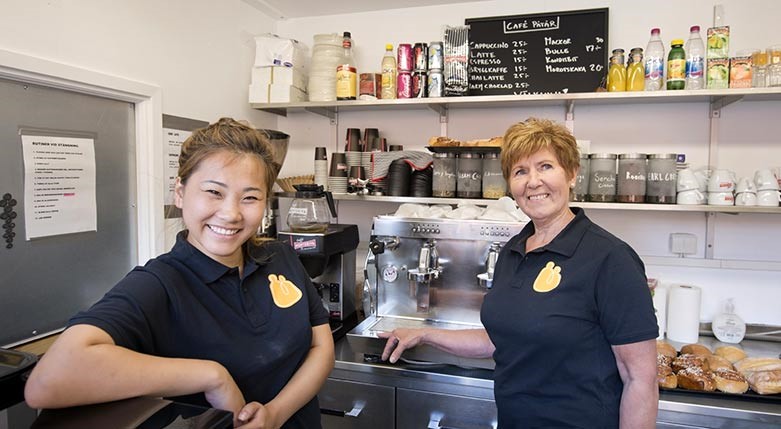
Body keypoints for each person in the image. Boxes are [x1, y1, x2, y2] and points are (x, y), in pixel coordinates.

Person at [25, 118, 334, 429]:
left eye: (250, 197)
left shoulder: (279, 256)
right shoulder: (160, 283)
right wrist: (211, 376)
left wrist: (275, 414)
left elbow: (321, 347)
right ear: (180, 193)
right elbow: (46, 382)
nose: (231, 213)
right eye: (214, 192)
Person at [380, 118, 658, 428]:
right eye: (520, 171)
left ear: (572, 173)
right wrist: (424, 333)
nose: (533, 182)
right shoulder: (513, 251)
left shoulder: (611, 259)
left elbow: (640, 379)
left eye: (545, 167)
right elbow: (501, 339)